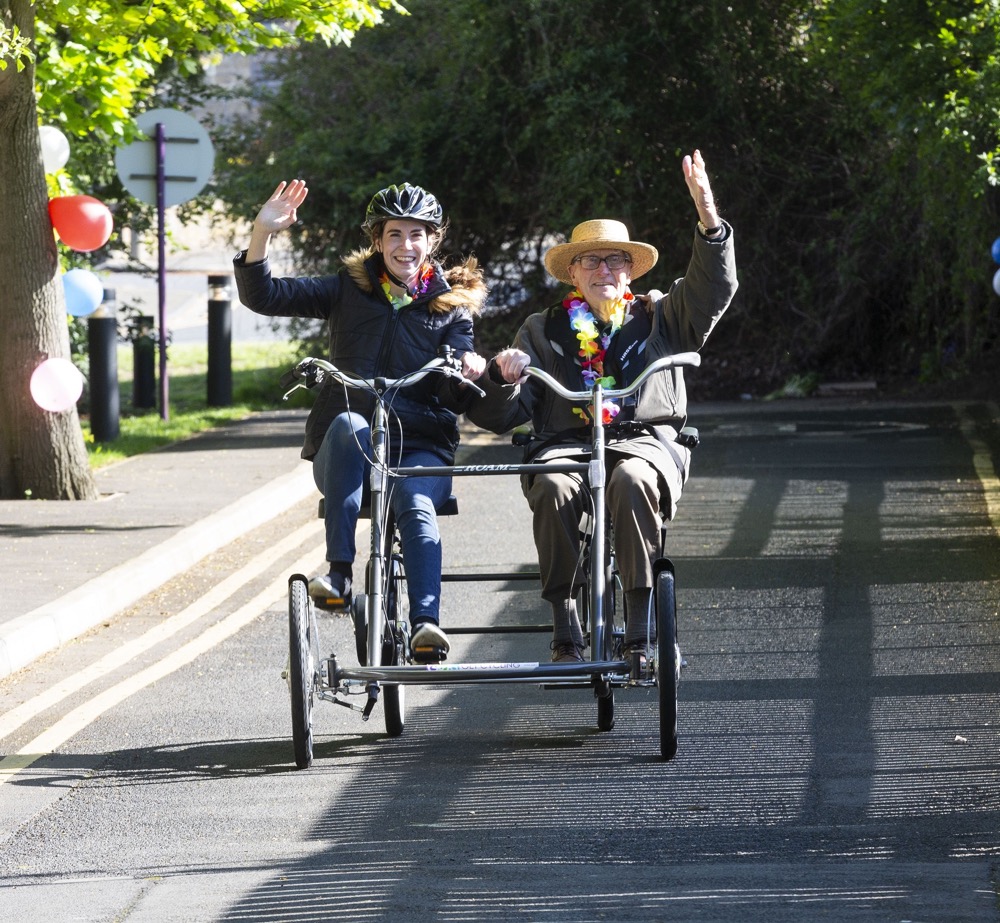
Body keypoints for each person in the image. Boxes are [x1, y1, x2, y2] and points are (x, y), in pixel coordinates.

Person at [467, 150, 738, 663]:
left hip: (644, 442)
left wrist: (708, 215)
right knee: (550, 484)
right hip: (564, 444)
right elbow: (503, 415)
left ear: (630, 271)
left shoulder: (663, 314)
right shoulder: (541, 329)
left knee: (632, 481)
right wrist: (500, 379)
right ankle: (564, 624)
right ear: (573, 274)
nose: (603, 269)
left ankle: (639, 624)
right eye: (590, 260)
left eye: (614, 260)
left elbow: (715, 288)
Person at [234, 180, 488, 662]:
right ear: (377, 239)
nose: (405, 246)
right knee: (350, 424)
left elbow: (456, 380)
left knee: (416, 504)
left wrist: (466, 366)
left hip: (419, 444)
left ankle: (425, 625)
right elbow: (264, 294)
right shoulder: (344, 290)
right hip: (348, 447)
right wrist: (261, 234)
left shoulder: (452, 309)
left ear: (433, 241)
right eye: (395, 234)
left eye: (417, 234)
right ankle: (339, 575)